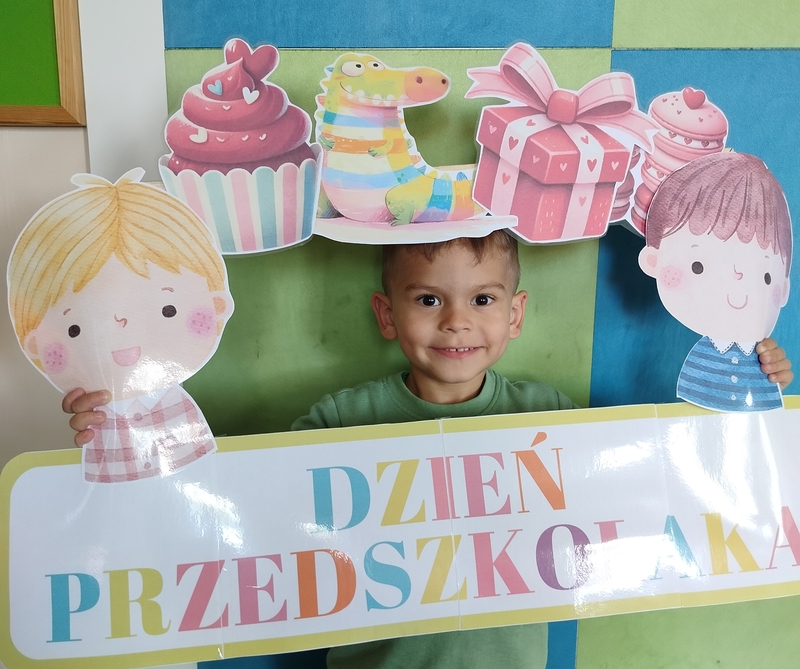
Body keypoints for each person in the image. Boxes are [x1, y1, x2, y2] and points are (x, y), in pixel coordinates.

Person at [64, 230, 793, 667]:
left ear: (515, 315)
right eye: (427, 299)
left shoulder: (550, 418)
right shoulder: (341, 422)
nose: (455, 322)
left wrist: (746, 395)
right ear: (387, 314)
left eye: (482, 299)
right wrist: (127, 432)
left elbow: (658, 482)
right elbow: (229, 514)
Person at [11, 169, 234, 482]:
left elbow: (206, 485)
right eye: (75, 328)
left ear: (217, 305)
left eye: (168, 309)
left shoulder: (183, 397)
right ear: (36, 343)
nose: (122, 327)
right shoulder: (99, 413)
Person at [639, 152, 792, 411]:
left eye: (764, 276)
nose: (736, 283)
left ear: (783, 288)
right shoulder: (699, 359)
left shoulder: (759, 353)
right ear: (653, 261)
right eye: (698, 266)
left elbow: (762, 415)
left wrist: (771, 381)